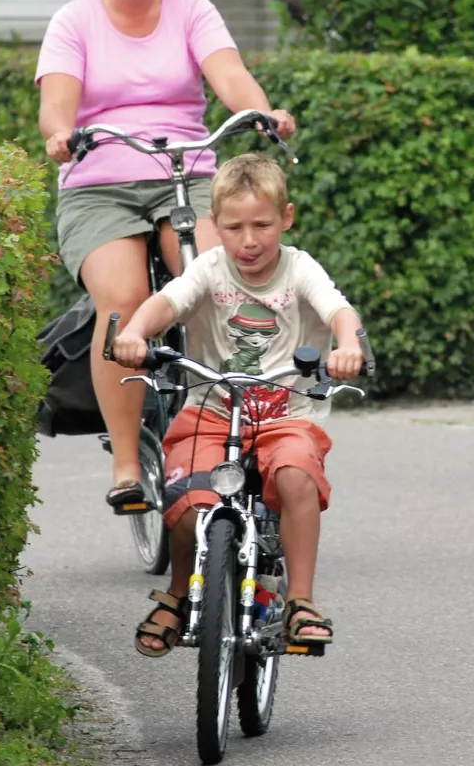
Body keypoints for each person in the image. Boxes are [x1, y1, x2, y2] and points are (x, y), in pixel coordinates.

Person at [37, 0, 296, 516]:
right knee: (123, 304)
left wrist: (257, 112)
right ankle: (128, 465)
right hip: (99, 179)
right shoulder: (74, 21)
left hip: (189, 169)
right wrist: (60, 133)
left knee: (218, 281)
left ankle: (241, 435)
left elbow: (229, 75)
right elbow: (58, 101)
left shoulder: (190, 9)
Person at [111, 153, 364, 654]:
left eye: (262, 225)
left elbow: (338, 309)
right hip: (213, 406)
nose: (249, 240)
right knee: (186, 498)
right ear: (215, 226)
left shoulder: (299, 268)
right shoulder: (209, 268)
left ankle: (301, 601)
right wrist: (137, 331)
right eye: (234, 227)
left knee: (296, 474)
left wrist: (349, 345)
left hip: (286, 410)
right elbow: (169, 301)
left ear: (286, 218)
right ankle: (180, 594)